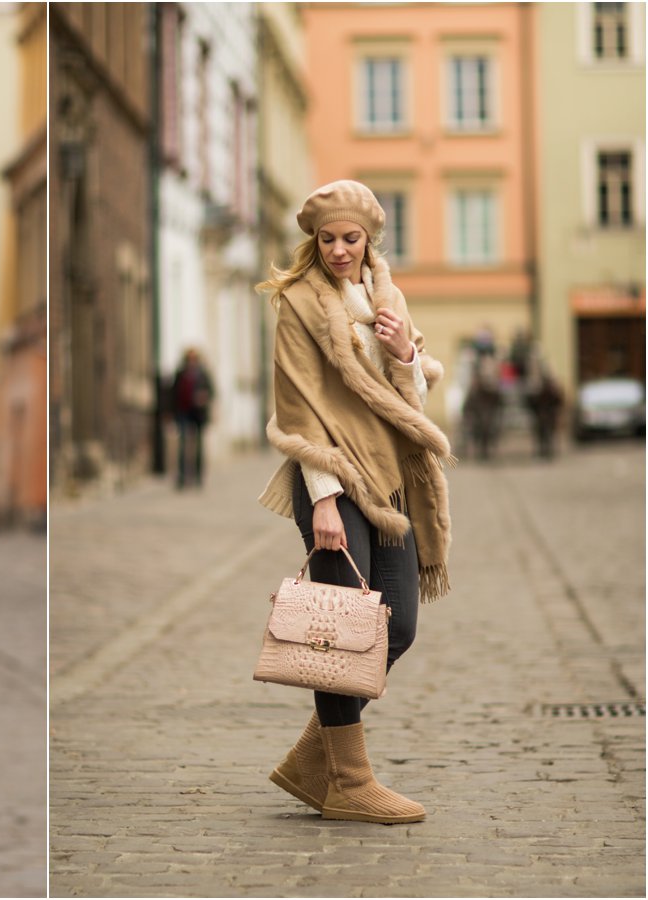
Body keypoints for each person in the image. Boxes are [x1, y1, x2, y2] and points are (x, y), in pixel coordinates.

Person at [256, 180, 453, 825]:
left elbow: (410, 406)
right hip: (332, 481)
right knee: (342, 638)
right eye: (327, 239)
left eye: (351, 238)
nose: (338, 250)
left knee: (396, 627)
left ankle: (316, 761)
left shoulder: (385, 300)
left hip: (392, 481)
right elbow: (298, 407)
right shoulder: (297, 304)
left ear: (369, 240)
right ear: (313, 241)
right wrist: (322, 500)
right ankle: (349, 780)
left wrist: (405, 353)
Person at [172, 348, 214, 488]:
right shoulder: (180, 374)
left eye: (193, 358)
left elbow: (211, 391)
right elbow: (174, 393)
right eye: (189, 358)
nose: (191, 361)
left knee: (198, 446)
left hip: (198, 414)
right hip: (184, 412)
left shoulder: (202, 374)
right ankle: (182, 476)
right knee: (183, 445)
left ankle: (198, 476)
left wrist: (204, 397)